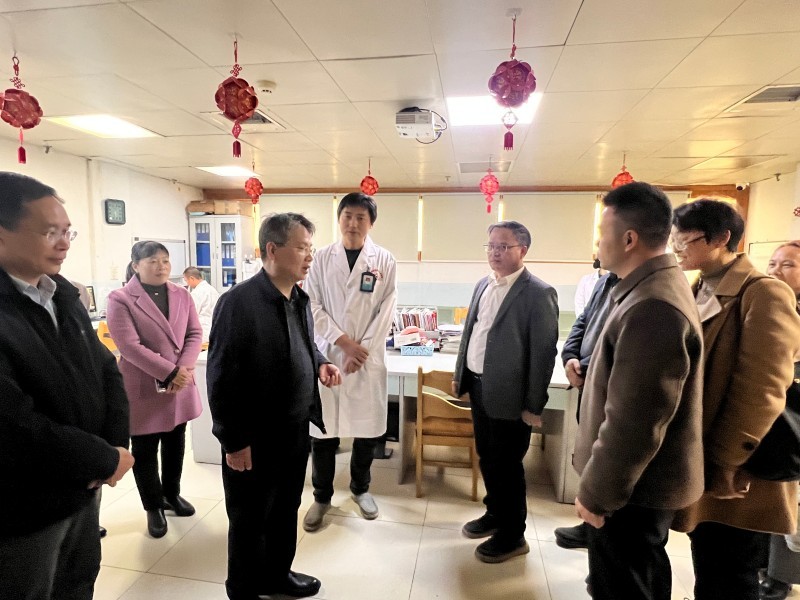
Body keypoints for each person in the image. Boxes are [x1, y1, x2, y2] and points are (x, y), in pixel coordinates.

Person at [0, 172, 133, 599]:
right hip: (25, 508)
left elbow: (106, 369)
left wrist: (113, 447)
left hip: (82, 489)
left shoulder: (61, 295)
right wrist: (101, 457)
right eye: (49, 232)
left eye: (67, 231)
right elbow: (14, 425)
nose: (64, 244)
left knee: (78, 582)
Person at [573, 182, 705, 600]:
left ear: (629, 239)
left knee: (625, 586)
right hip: (635, 487)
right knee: (641, 577)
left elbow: (635, 421)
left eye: (602, 232)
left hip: (632, 491)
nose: (597, 243)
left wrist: (597, 494)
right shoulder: (647, 287)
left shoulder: (652, 305)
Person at [207, 213, 342, 600]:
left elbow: (303, 342)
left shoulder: (298, 298)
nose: (309, 257)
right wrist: (234, 442)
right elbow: (221, 377)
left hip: (294, 430)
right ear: (272, 249)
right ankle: (244, 589)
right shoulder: (238, 303)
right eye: (301, 248)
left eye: (311, 248)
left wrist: (320, 362)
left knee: (285, 509)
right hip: (254, 437)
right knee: (250, 517)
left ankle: (277, 575)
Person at [670, 199, 800, 600]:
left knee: (731, 569)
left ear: (721, 238)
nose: (676, 247)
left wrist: (727, 460)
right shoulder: (699, 285)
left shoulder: (763, 293)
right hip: (704, 450)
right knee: (710, 559)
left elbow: (763, 387)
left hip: (740, 462)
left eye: (685, 239)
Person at [452, 220, 559, 563]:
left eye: (503, 246)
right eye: (491, 246)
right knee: (488, 457)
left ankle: (513, 535)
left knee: (508, 465)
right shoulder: (483, 284)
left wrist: (534, 405)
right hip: (479, 387)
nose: (495, 253)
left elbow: (543, 354)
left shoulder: (538, 293)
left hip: (512, 397)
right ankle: (495, 513)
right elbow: (471, 334)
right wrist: (461, 377)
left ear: (522, 250)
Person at [302, 192, 397, 531]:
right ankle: (321, 497)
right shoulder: (321, 258)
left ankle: (360, 489)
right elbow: (311, 305)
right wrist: (344, 344)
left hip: (366, 361)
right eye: (348, 216)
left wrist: (362, 351)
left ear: (371, 223)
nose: (353, 223)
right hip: (329, 354)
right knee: (324, 432)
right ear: (339, 218)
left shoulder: (384, 260)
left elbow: (387, 310)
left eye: (361, 217)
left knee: (366, 431)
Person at [106, 241, 203, 538]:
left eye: (165, 260)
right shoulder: (121, 299)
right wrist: (170, 372)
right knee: (145, 449)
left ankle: (172, 494)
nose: (161, 266)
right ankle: (153, 506)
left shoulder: (181, 294)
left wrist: (183, 369)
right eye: (152, 261)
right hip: (145, 385)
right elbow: (129, 347)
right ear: (136, 265)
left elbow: (194, 333)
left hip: (179, 383)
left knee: (176, 442)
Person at [553, 267, 619, 550]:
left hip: (609, 387)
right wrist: (569, 356)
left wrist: (585, 366)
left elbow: (616, 345)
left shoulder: (643, 289)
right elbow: (583, 321)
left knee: (609, 454)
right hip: (587, 383)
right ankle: (591, 525)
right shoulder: (605, 282)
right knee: (591, 450)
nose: (597, 248)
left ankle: (603, 527)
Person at [760, 241, 800, 600]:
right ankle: (764, 569)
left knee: (789, 506)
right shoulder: (767, 304)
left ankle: (780, 578)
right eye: (772, 263)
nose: (775, 270)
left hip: (793, 421)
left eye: (788, 265)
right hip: (768, 419)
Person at [183, 266, 220, 343]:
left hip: (203, 331)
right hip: (215, 330)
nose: (187, 284)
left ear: (192, 278)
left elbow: (192, 314)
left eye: (186, 280)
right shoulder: (213, 290)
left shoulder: (196, 293)